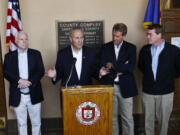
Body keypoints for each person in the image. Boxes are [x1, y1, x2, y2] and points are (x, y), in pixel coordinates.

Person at [138, 24, 180, 135]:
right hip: (148, 92)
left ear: (159, 35)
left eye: (150, 34)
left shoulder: (174, 51)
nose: (147, 37)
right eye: (147, 34)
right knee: (148, 121)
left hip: (166, 93)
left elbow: (178, 70)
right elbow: (141, 67)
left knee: (164, 122)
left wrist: (167, 79)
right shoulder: (144, 50)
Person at [3, 31, 45, 135]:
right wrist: (19, 80)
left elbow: (40, 71)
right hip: (18, 95)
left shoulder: (36, 54)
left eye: (26, 39)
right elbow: (6, 72)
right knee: (22, 124)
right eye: (21, 39)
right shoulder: (9, 56)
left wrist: (28, 82)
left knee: (36, 123)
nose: (24, 42)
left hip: (34, 93)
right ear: (16, 41)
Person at [99, 23, 138, 135]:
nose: (114, 38)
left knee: (127, 118)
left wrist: (112, 65)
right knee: (112, 118)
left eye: (117, 36)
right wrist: (122, 66)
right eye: (113, 35)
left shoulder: (131, 48)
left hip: (126, 87)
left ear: (124, 36)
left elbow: (130, 68)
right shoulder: (105, 47)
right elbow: (103, 64)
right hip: (110, 86)